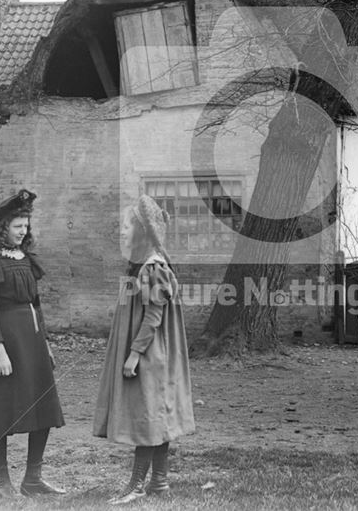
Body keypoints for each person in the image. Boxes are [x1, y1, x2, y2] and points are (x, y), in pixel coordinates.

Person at [0, 189, 66, 498]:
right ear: (3, 228)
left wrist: (45, 344)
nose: (23, 232)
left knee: (41, 407)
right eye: (18, 226)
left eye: (26, 226)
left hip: (31, 343)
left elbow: (36, 305)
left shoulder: (27, 260)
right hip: (5, 344)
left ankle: (33, 478)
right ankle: (2, 481)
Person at [93, 195, 196, 505]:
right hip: (148, 349)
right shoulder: (136, 265)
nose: (122, 231)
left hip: (151, 353)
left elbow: (153, 316)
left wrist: (135, 353)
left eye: (126, 226)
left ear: (141, 229)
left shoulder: (153, 267)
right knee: (156, 415)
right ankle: (160, 482)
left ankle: (136, 485)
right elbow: (129, 306)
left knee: (149, 415)